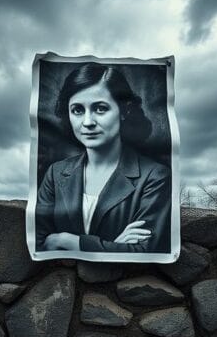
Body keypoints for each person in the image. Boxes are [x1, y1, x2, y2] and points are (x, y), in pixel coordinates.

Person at [35, 62, 171, 253]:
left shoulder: (156, 176)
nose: (88, 122)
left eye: (100, 109)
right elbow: (39, 243)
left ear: (124, 111)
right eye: (77, 110)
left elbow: (144, 251)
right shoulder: (55, 173)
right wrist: (115, 244)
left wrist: (65, 240)